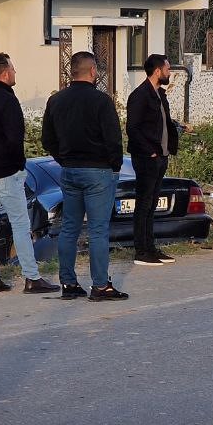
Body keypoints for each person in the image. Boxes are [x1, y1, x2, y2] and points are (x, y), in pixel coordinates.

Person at [0, 53, 59, 295]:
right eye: (13, 69)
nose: (15, 73)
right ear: (4, 73)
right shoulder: (7, 100)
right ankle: (32, 277)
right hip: (5, 173)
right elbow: (15, 140)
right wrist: (17, 165)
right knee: (20, 224)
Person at [41, 51, 127, 301]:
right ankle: (100, 285)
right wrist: (115, 166)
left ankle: (68, 283)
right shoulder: (101, 101)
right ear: (92, 72)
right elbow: (113, 139)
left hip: (69, 170)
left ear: (72, 72)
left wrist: (64, 160)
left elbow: (48, 139)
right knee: (98, 230)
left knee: (69, 227)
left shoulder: (55, 101)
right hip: (98, 171)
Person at [126, 54, 185, 267]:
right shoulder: (140, 95)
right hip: (146, 158)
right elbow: (132, 128)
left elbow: (161, 122)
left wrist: (177, 128)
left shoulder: (160, 94)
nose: (169, 73)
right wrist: (150, 151)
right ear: (158, 71)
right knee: (144, 204)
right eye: (167, 70)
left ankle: (150, 247)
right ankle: (141, 250)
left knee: (151, 205)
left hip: (161, 156)